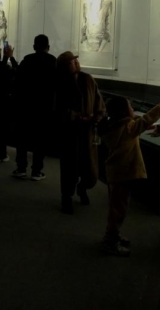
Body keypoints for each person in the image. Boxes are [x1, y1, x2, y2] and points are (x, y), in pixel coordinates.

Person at [98, 93, 160, 256]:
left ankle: (114, 234)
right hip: (124, 173)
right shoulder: (128, 128)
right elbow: (147, 119)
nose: (133, 108)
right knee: (118, 210)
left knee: (117, 206)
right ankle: (109, 241)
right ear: (123, 111)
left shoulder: (113, 125)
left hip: (116, 172)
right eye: (130, 106)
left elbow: (137, 123)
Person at [55, 51, 105, 214]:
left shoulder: (87, 79)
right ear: (64, 67)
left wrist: (97, 115)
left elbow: (98, 100)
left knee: (89, 167)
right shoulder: (60, 83)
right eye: (72, 62)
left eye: (76, 60)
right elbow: (56, 108)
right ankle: (67, 197)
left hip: (88, 132)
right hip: (70, 132)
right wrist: (74, 116)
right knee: (69, 167)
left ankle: (83, 187)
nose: (76, 63)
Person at [12, 34, 56, 180]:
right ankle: (36, 171)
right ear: (48, 47)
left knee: (22, 139)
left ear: (34, 47)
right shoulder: (53, 62)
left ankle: (21, 168)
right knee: (40, 140)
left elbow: (18, 81)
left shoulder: (27, 60)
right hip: (44, 107)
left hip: (26, 106)